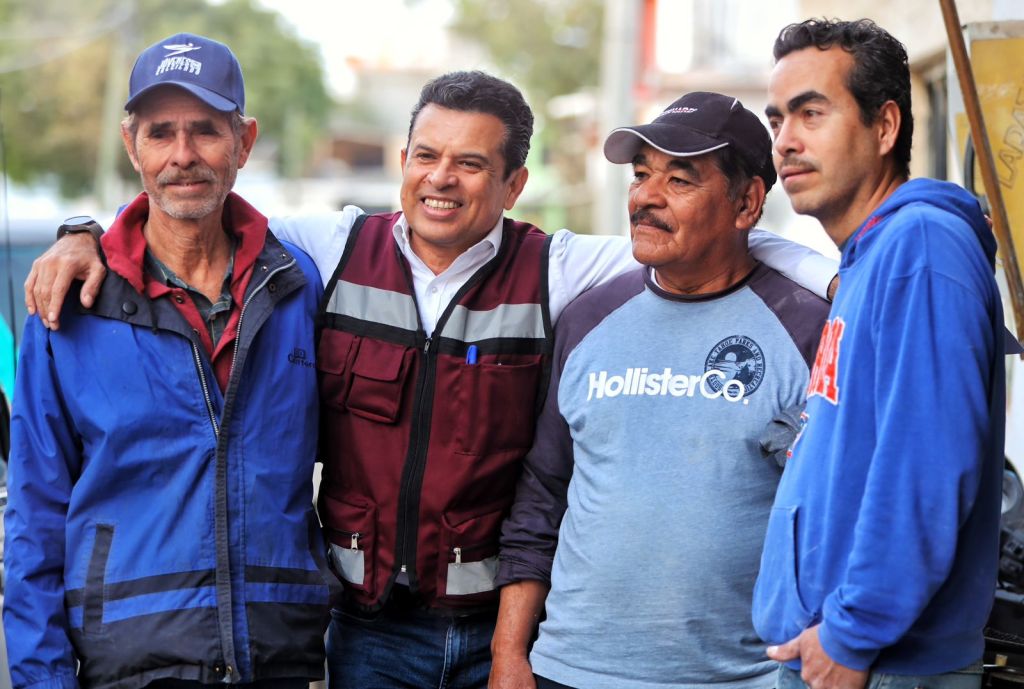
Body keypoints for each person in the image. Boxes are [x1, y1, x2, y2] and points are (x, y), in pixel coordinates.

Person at [23, 71, 839, 689]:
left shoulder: (558, 269)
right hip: (365, 633)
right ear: (401, 162)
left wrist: (848, 275)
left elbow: (702, 239)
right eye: (426, 156)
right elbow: (194, 203)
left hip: (501, 633)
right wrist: (81, 233)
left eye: (472, 163)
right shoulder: (331, 250)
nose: (441, 179)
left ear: (514, 184)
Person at [3, 33, 332, 689]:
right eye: (160, 133)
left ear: (244, 141)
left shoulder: (298, 286)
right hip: (131, 667)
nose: (183, 156)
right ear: (132, 147)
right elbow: (34, 523)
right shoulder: (68, 308)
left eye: (206, 131)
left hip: (280, 660)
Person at [489, 91, 830, 689]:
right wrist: (509, 653)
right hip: (568, 671)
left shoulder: (809, 329)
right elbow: (543, 493)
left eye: (679, 179)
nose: (645, 196)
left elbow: (838, 518)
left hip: (739, 679)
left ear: (747, 202)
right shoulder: (587, 318)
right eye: (641, 175)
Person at [752, 18, 1006, 689]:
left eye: (812, 112)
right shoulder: (871, 256)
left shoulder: (920, 247)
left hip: (879, 663)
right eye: (777, 118)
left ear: (885, 126)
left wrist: (852, 633)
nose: (786, 140)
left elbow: (926, 461)